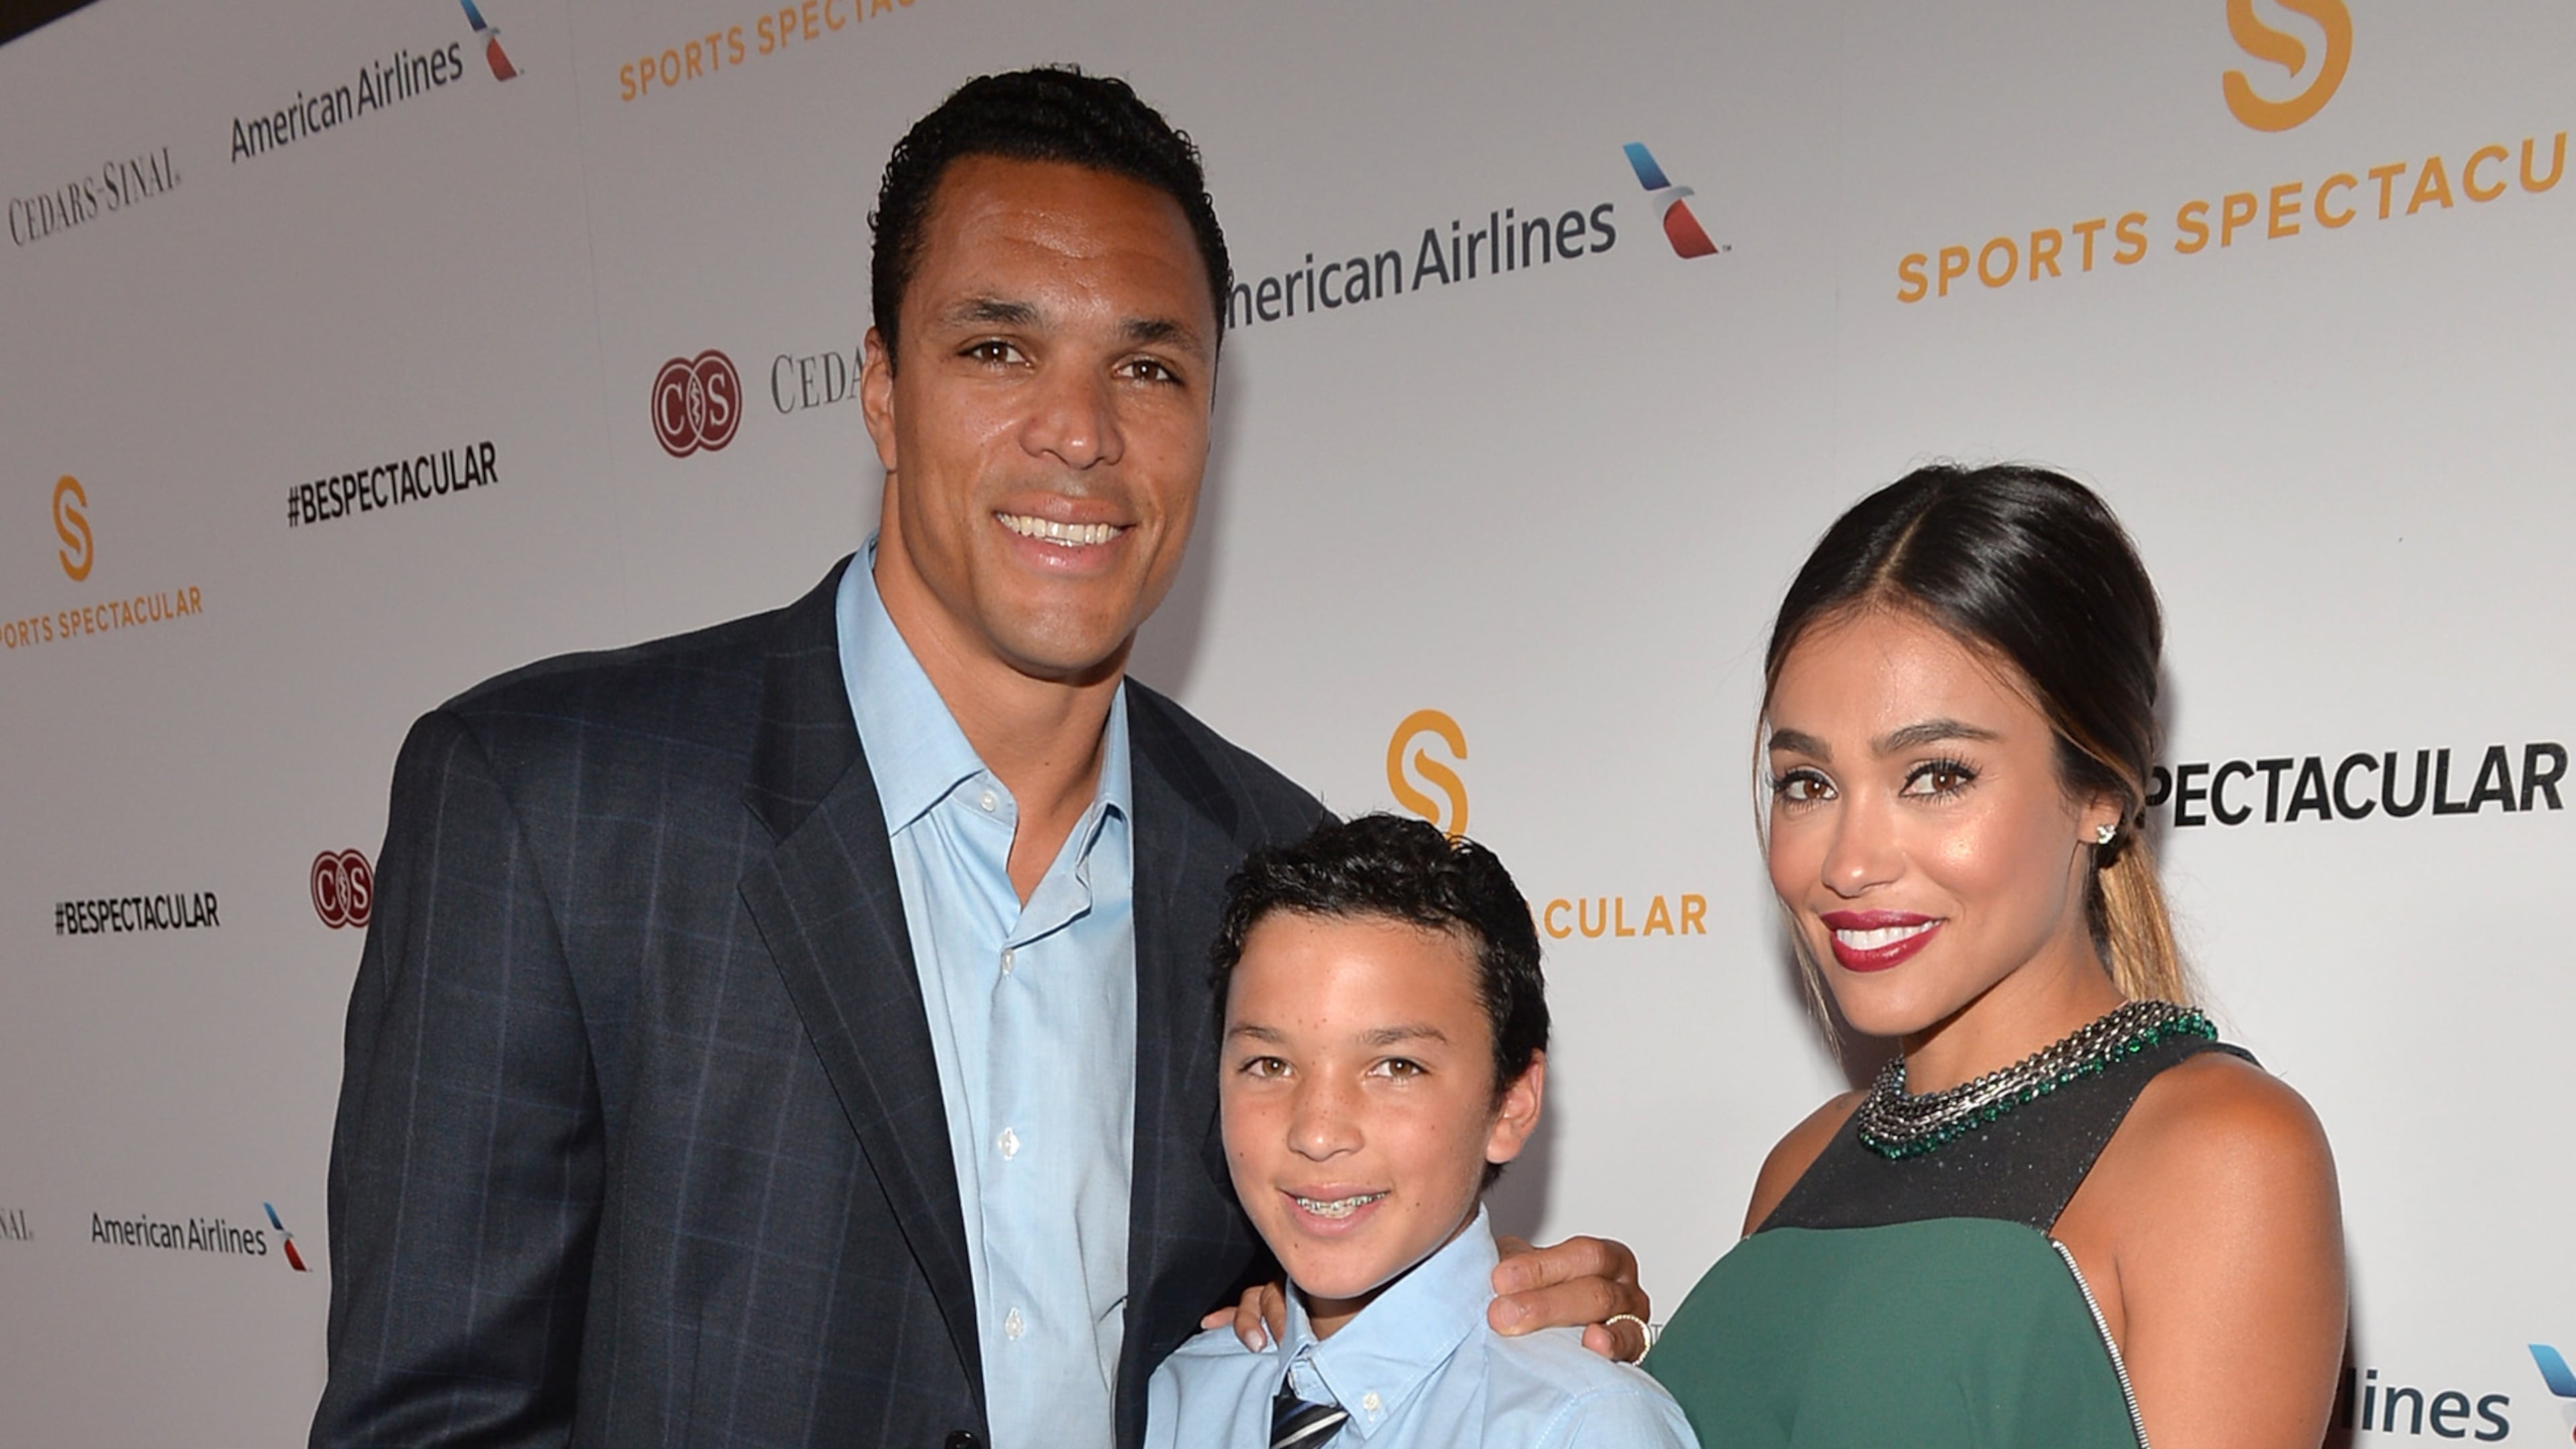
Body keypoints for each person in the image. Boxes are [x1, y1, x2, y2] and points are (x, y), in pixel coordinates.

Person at [310, 67, 1647, 1449]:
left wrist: (1490, 1328)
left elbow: (1319, 1302)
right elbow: (433, 1422)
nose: (1080, 431)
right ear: (882, 391)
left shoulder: (1269, 861)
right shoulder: (555, 806)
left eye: (1148, 367)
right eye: (999, 350)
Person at [1646, 465, 2346, 1448]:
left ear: (2100, 793)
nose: (1848, 863)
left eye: (1936, 776)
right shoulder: (1799, 1165)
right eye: (1808, 783)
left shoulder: (2223, 1155)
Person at [1146, 814, 1696, 1448]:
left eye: (1395, 1068)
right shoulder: (1173, 1399)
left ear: (1512, 1103)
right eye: (1270, 1065)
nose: (1318, 1134)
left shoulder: (1581, 1427)